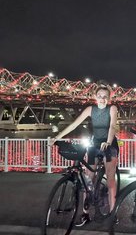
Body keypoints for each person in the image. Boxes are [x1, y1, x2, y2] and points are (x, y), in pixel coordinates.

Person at [51, 84, 119, 226]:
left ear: (109, 98)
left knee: (111, 179)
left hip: (109, 145)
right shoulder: (90, 109)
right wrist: (57, 137)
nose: (102, 99)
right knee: (88, 179)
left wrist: (108, 141)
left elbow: (112, 126)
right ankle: (85, 214)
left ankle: (113, 213)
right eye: (99, 96)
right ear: (95, 97)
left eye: (105, 97)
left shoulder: (112, 109)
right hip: (95, 144)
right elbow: (75, 124)